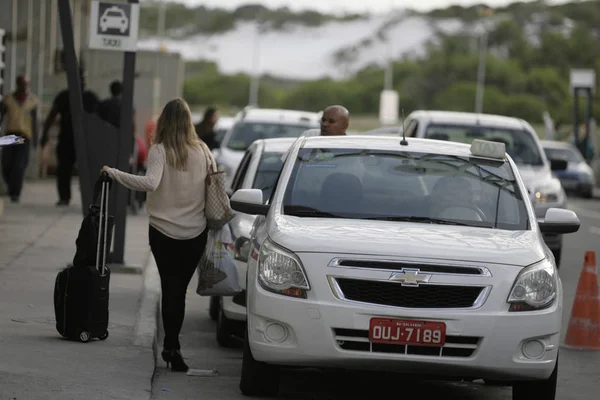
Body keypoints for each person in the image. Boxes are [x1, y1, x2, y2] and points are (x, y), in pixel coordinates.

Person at [101, 98, 210, 373]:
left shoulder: (160, 150)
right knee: (179, 291)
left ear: (163, 122)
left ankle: (171, 346)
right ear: (188, 122)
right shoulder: (204, 151)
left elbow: (150, 183)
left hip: (163, 231)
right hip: (195, 233)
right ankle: (173, 346)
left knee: (169, 287)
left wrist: (114, 174)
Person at [40, 69, 99, 206]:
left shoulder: (90, 97)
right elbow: (51, 116)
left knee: (88, 172)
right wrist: (44, 134)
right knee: (64, 170)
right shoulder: (64, 96)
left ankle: (88, 197)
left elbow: (99, 121)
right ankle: (64, 197)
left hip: (86, 141)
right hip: (67, 139)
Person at [0, 75, 39, 203]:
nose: (24, 86)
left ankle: (15, 192)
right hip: (10, 135)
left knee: (19, 165)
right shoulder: (8, 99)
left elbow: (34, 122)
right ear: (17, 84)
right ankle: (11, 186)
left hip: (23, 136)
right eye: (22, 84)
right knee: (7, 165)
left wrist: (36, 139)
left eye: (26, 84)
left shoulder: (32, 100)